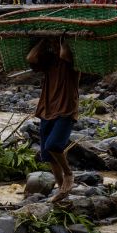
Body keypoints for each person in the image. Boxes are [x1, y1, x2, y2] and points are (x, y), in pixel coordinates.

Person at [26, 38, 80, 202]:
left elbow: (64, 54)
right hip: (47, 109)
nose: (57, 47)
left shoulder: (73, 61)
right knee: (48, 155)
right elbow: (31, 58)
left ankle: (68, 174)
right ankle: (61, 190)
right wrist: (44, 40)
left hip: (66, 108)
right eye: (55, 44)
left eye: (59, 44)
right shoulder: (48, 61)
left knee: (53, 145)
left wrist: (62, 39)